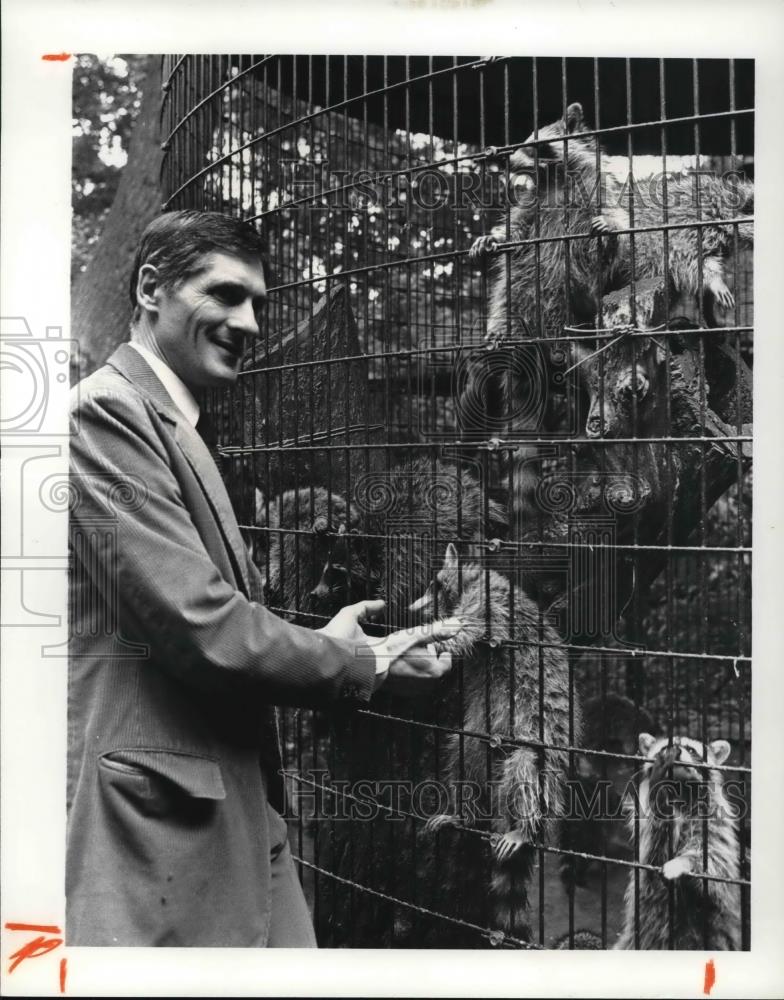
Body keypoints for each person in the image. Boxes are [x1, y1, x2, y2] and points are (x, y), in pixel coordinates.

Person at [66, 210, 460, 947]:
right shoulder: (105, 417)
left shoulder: (178, 426)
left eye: (258, 303)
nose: (248, 322)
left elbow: (220, 616)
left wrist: (344, 647)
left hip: (244, 812)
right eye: (225, 294)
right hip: (162, 829)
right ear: (152, 288)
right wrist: (358, 661)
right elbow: (200, 626)